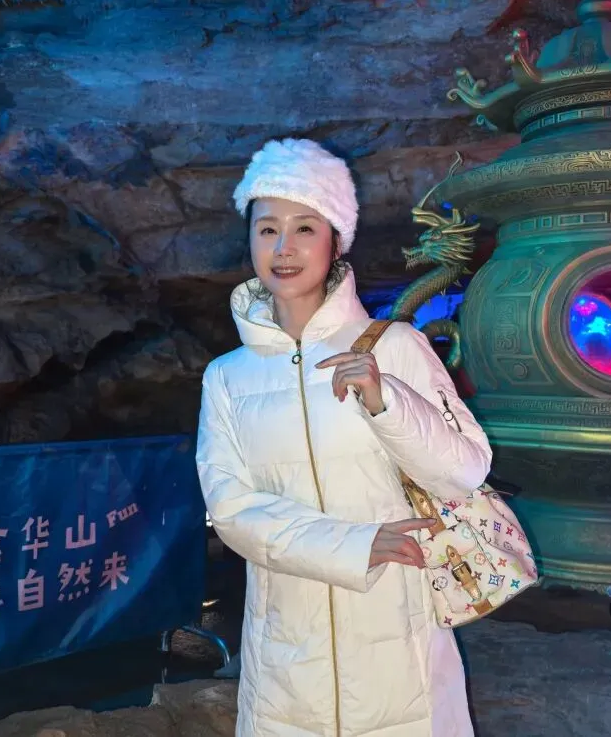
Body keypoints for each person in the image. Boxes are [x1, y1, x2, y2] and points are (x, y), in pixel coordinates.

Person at [195, 137, 493, 736]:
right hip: (285, 656)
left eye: (305, 228)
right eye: (267, 229)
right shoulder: (226, 377)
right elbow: (229, 511)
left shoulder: (396, 347)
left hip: (397, 641)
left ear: (336, 240)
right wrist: (356, 544)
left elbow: (466, 470)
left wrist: (388, 403)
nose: (283, 248)